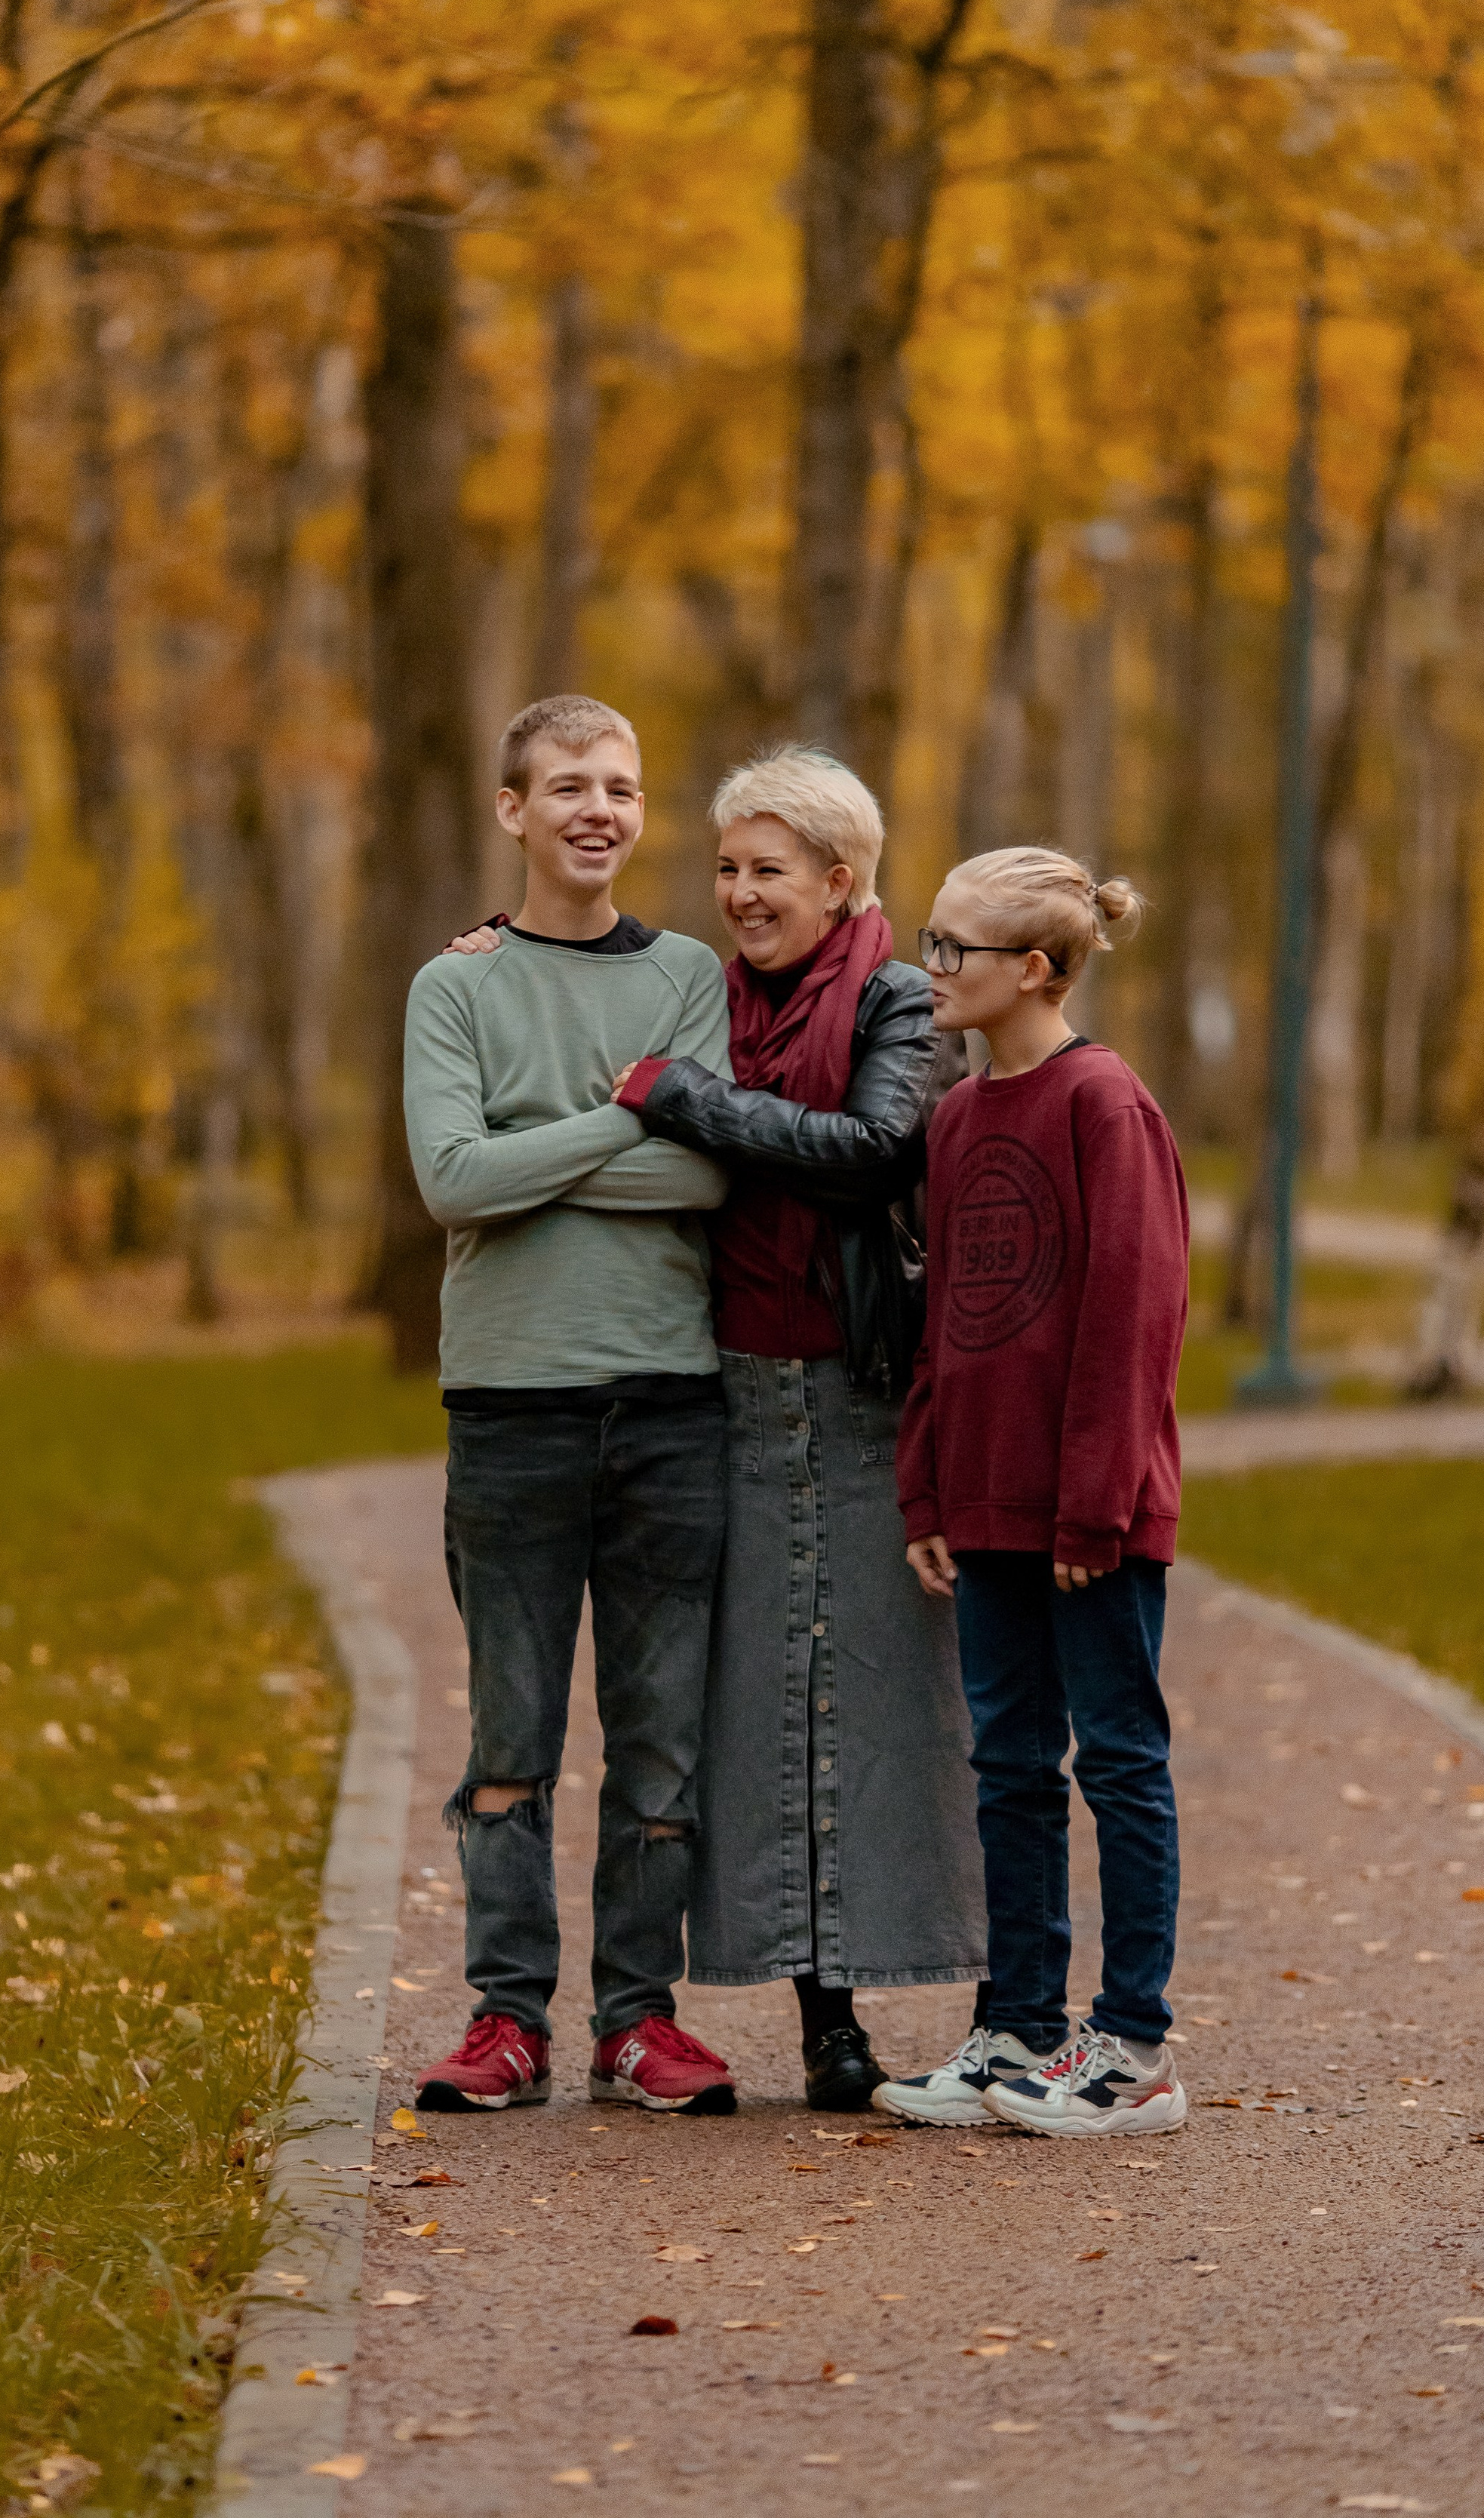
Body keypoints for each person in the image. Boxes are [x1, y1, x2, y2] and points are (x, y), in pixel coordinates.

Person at [609, 749, 985, 2110]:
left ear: (840, 879)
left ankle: (979, 2009)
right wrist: (492, 935)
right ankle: (825, 2024)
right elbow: (580, 966)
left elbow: (874, 1150)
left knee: (895, 1702)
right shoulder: (700, 994)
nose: (741, 892)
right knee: (768, 1707)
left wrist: (686, 1100)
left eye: (768, 869)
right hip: (734, 1389)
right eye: (726, 868)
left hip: (867, 1390)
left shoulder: (904, 999)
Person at [404, 693, 743, 2119]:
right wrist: (627, 1115)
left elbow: (709, 1170)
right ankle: (506, 2017)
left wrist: (531, 1149)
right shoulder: (454, 987)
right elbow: (452, 1181)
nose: (599, 809)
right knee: (511, 1741)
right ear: (514, 810)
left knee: (661, 1744)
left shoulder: (687, 974)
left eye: (622, 786)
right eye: (568, 786)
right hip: (511, 1409)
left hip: (671, 1406)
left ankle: (636, 2021)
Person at [871, 844, 1191, 2139]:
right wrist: (928, 1486)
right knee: (1007, 1765)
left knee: (1117, 1760)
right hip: (990, 1504)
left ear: (1039, 970)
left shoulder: (1105, 1104)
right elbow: (947, 1319)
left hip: (1088, 1519)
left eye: (955, 948)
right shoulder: (957, 1118)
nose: (931, 968)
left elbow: (1135, 1315)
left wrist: (1095, 1502)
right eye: (930, 941)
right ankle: (1018, 2025)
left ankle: (1135, 2046)